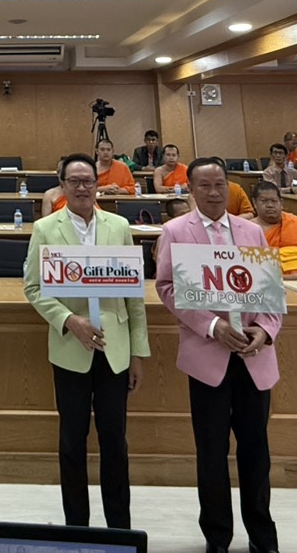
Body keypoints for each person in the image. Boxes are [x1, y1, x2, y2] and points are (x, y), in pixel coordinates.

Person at [156, 158, 282, 553]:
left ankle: (262, 536)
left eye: (220, 184)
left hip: (253, 356)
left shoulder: (252, 231)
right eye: (205, 186)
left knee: (256, 451)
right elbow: (167, 288)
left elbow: (271, 291)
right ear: (191, 189)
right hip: (208, 357)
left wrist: (265, 330)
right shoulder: (176, 231)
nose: (214, 193)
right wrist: (213, 326)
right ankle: (217, 536)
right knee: (211, 452)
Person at [22, 153, 148, 530]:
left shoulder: (119, 226)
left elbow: (134, 295)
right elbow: (33, 287)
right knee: (72, 443)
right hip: (70, 349)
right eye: (74, 181)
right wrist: (68, 320)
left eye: (88, 181)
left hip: (115, 350)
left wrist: (138, 353)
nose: (82, 187)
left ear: (98, 185)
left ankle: (119, 530)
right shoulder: (46, 228)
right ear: (62, 185)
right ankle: (77, 528)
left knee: (115, 443)